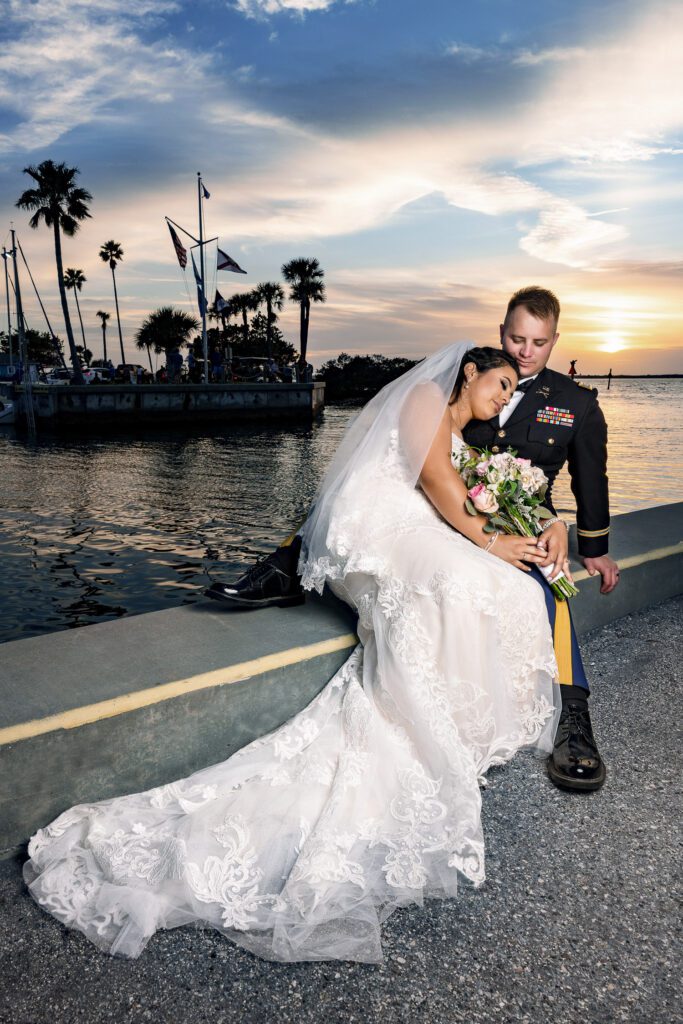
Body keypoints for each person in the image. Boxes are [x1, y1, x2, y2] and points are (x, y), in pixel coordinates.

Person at [24, 343, 561, 964]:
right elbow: (437, 482)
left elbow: (464, 494)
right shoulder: (424, 398)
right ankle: (425, 714)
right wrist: (491, 541)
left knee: (502, 585)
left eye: (510, 390)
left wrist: (541, 526)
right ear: (469, 372)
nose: (504, 397)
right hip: (374, 529)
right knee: (467, 577)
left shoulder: (467, 434)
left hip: (416, 527)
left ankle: (460, 715)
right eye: (500, 383)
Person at [207, 287, 619, 793]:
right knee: (366, 502)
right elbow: (421, 468)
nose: (524, 351)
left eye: (537, 342)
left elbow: (584, 479)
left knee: (546, 573)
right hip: (442, 511)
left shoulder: (575, 401)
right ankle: (286, 563)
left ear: (555, 340)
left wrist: (582, 541)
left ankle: (574, 717)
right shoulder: (457, 385)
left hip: (505, 516)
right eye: (515, 338)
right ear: (500, 335)